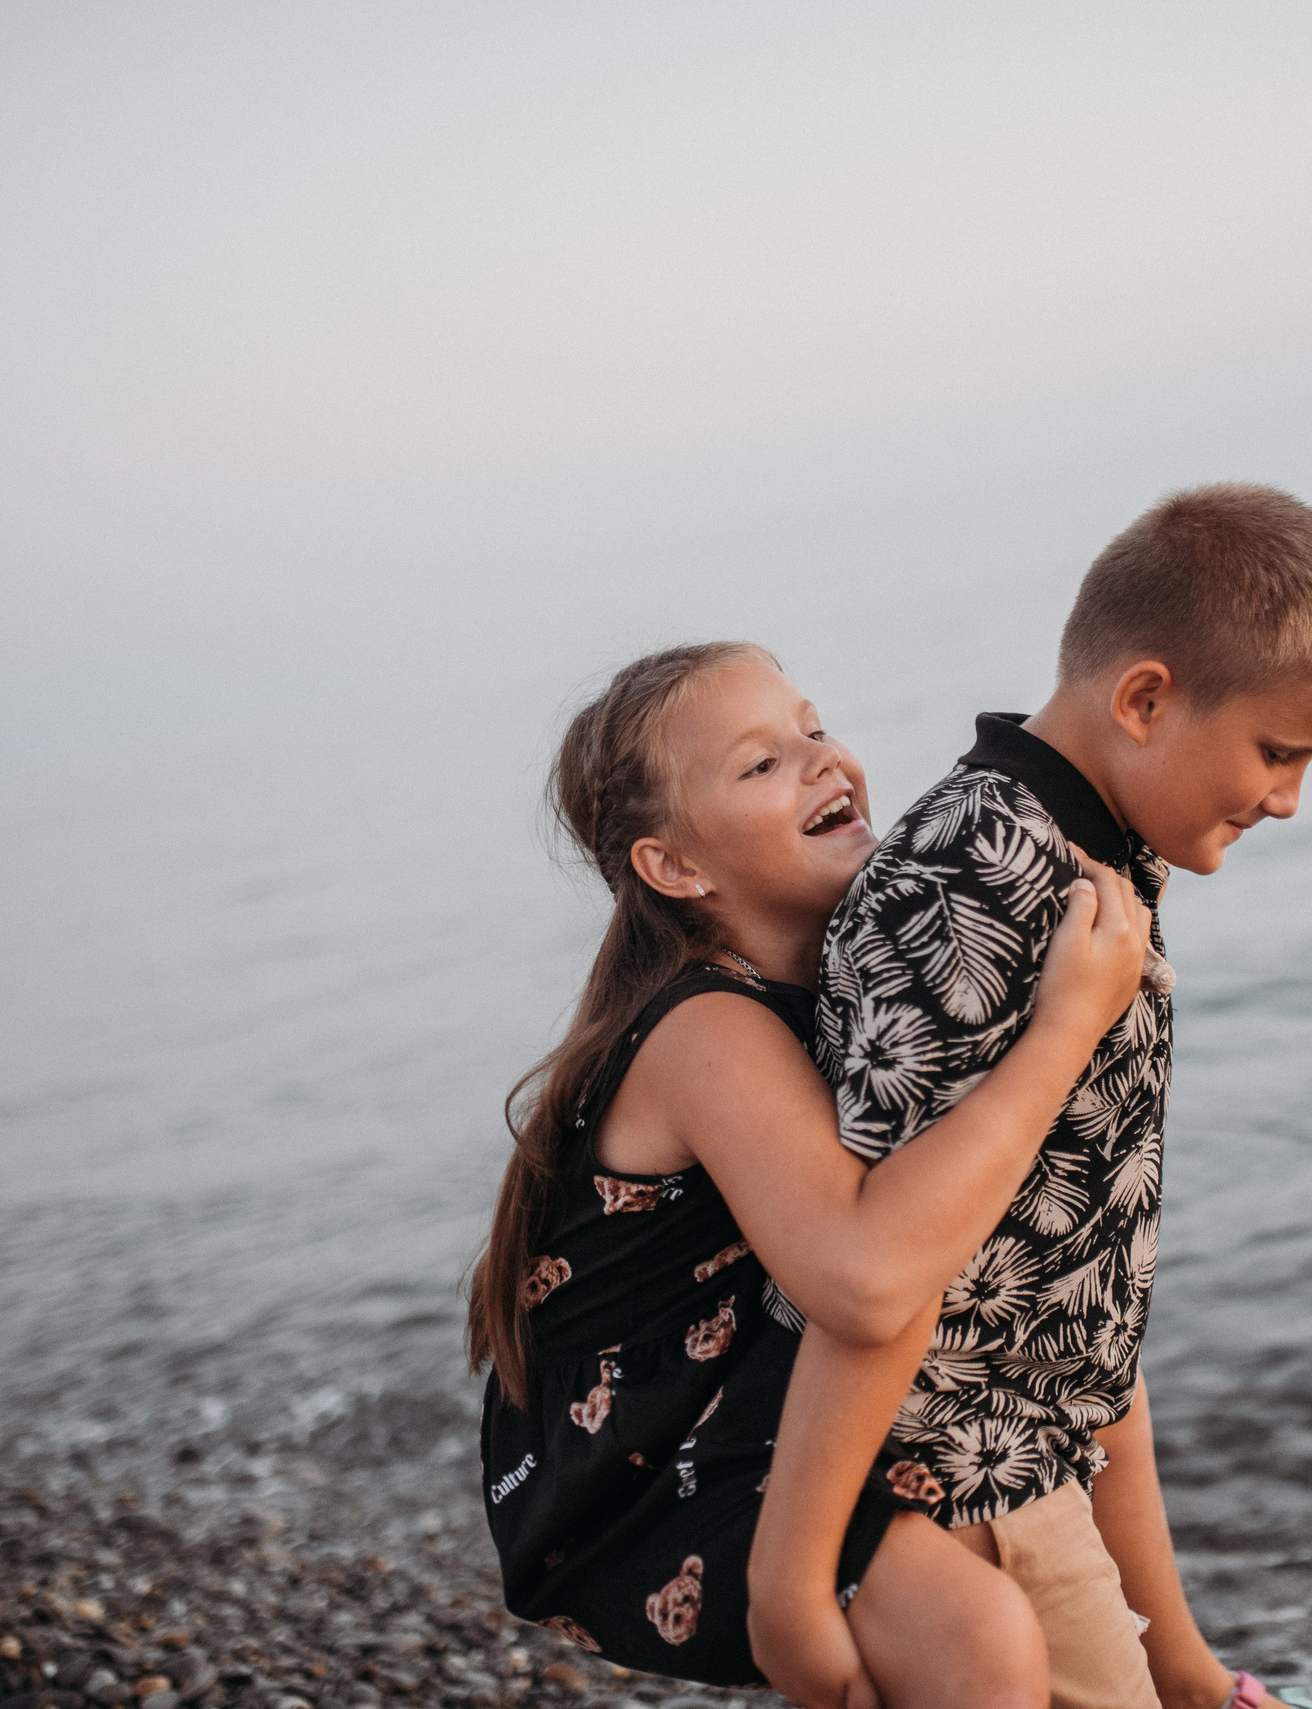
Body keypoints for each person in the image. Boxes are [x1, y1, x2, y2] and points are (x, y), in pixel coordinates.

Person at [750, 484, 1312, 1709]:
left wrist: (1183, 1660)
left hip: (1033, 1472)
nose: (1286, 800)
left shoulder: (1094, 853)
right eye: (1278, 751)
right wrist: (795, 1588)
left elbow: (1086, 1300)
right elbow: (884, 1273)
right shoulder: (976, 884)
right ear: (1146, 698)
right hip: (956, 1500)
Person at [467, 640, 1157, 1703]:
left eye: (815, 727)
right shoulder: (706, 1026)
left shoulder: (859, 974)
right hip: (644, 1457)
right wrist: (1066, 1024)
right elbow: (860, 1279)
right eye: (760, 764)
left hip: (762, 1387)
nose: (823, 761)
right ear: (676, 868)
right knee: (975, 1635)